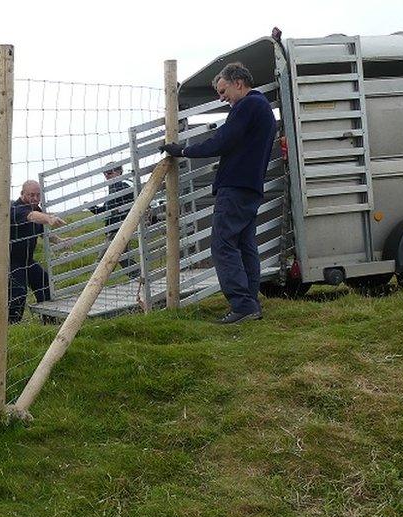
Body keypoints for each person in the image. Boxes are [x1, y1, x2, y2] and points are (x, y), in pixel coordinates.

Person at [159, 62, 276, 324]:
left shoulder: (248, 105)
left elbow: (223, 139)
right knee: (245, 246)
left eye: (223, 91)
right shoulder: (262, 108)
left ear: (238, 83)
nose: (221, 97)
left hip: (235, 187)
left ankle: (242, 304)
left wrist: (183, 150)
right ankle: (250, 303)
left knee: (222, 245)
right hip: (250, 187)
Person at [9, 180, 68, 324]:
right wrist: (49, 218)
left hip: (28, 260)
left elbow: (42, 231)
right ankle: (11, 325)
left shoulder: (36, 208)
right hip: (11, 262)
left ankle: (49, 321)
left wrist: (59, 241)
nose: (35, 199)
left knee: (45, 284)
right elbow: (31, 216)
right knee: (19, 293)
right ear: (22, 194)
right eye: (31, 195)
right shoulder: (15, 210)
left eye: (38, 195)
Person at [88, 162, 135, 272]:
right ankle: (140, 278)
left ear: (119, 172)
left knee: (102, 262)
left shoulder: (123, 187)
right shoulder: (112, 189)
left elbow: (135, 204)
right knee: (122, 260)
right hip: (114, 230)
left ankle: (92, 286)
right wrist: (92, 207)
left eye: (109, 172)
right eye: (105, 173)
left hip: (118, 230)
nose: (107, 175)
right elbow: (104, 210)